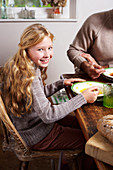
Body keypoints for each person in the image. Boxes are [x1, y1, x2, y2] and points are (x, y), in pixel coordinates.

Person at [1, 24, 98, 170]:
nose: (47, 54)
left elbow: (34, 98)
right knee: (91, 140)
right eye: (40, 49)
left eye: (49, 48)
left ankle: (64, 160)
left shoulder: (22, 66)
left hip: (33, 125)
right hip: (37, 134)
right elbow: (48, 115)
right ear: (26, 49)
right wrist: (82, 98)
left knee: (84, 125)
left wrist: (60, 84)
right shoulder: (30, 76)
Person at [67, 9, 113, 79]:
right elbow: (74, 50)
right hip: (93, 79)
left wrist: (107, 67)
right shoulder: (94, 21)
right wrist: (86, 66)